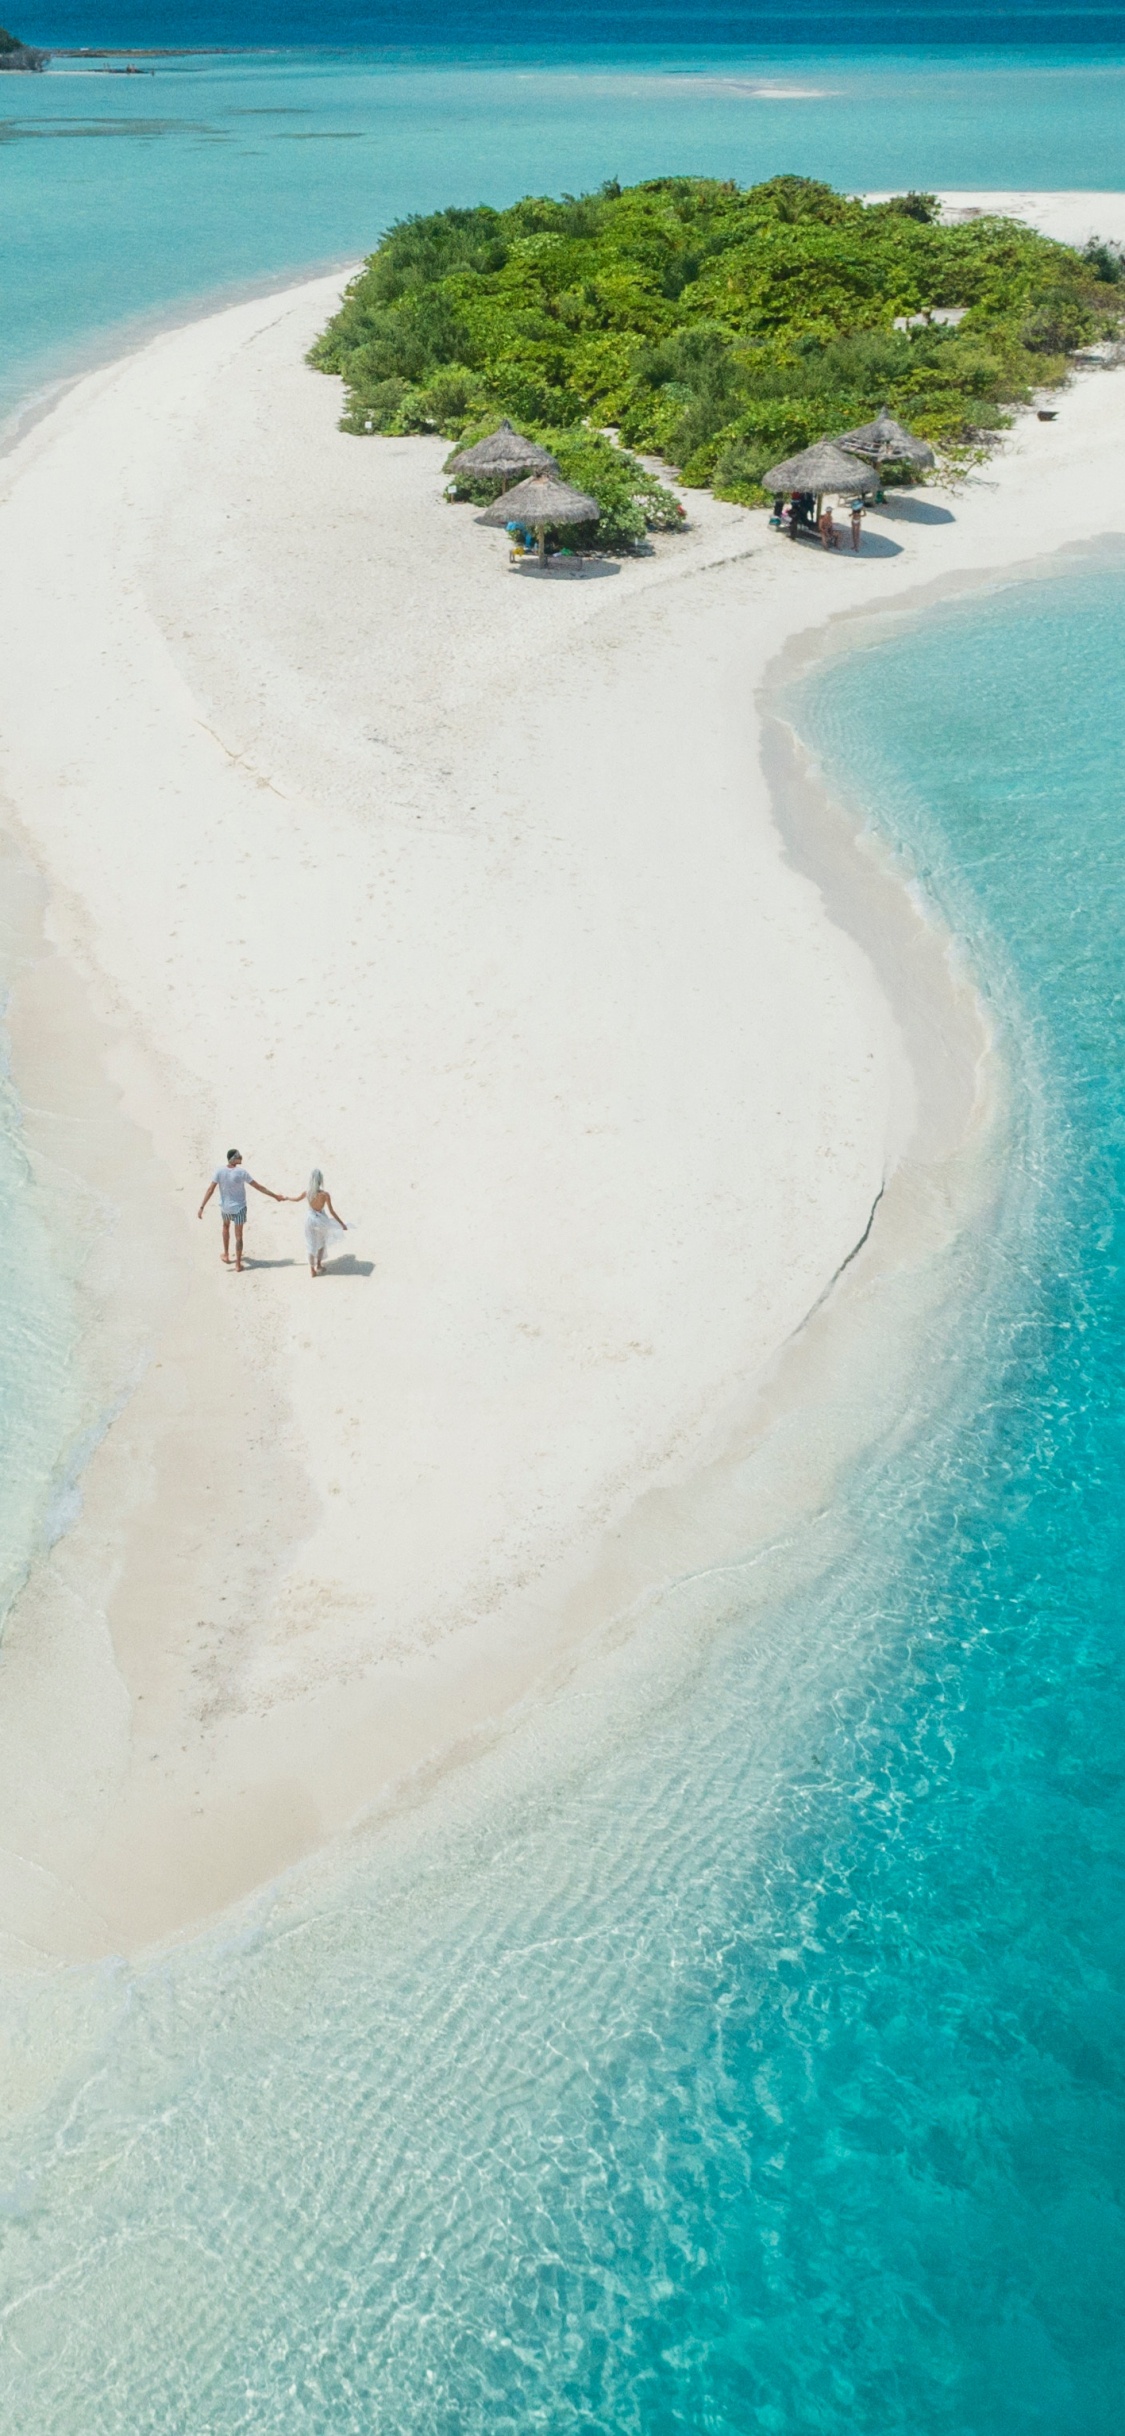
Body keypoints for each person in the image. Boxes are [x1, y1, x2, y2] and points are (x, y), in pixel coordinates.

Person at [198, 1148, 285, 1271]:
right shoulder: (242, 1173)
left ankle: (226, 1255)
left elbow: (210, 1190)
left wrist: (202, 1207)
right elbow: (258, 1187)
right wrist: (275, 1196)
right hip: (239, 1208)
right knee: (239, 1236)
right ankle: (238, 1264)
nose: (241, 1157)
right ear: (233, 1159)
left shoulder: (219, 1171)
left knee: (225, 1227)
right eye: (239, 1156)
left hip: (226, 1208)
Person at [288, 1168, 348, 1277]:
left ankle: (312, 1269)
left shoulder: (307, 1193)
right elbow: (332, 1211)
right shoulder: (325, 1195)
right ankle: (319, 1265)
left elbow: (296, 1199)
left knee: (310, 1243)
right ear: (320, 1181)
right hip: (321, 1221)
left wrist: (286, 1198)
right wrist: (342, 1224)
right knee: (321, 1242)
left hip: (310, 1220)